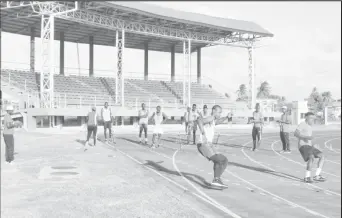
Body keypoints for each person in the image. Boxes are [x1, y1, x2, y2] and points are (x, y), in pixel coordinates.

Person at [196, 105, 232, 187]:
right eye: (219, 112)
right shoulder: (211, 118)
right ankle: (216, 179)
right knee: (221, 160)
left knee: (224, 160)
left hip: (209, 144)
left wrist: (227, 117)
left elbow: (218, 121)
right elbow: (199, 120)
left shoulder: (212, 120)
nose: (220, 114)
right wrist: (203, 132)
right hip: (204, 144)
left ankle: (216, 179)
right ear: (214, 111)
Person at [294, 112, 326, 183]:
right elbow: (296, 133)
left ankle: (317, 175)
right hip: (303, 145)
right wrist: (306, 137)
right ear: (306, 118)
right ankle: (307, 177)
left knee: (322, 156)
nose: (312, 120)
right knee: (311, 157)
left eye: (313, 118)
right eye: (311, 118)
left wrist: (313, 145)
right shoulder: (302, 124)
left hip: (309, 146)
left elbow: (310, 139)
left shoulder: (309, 127)